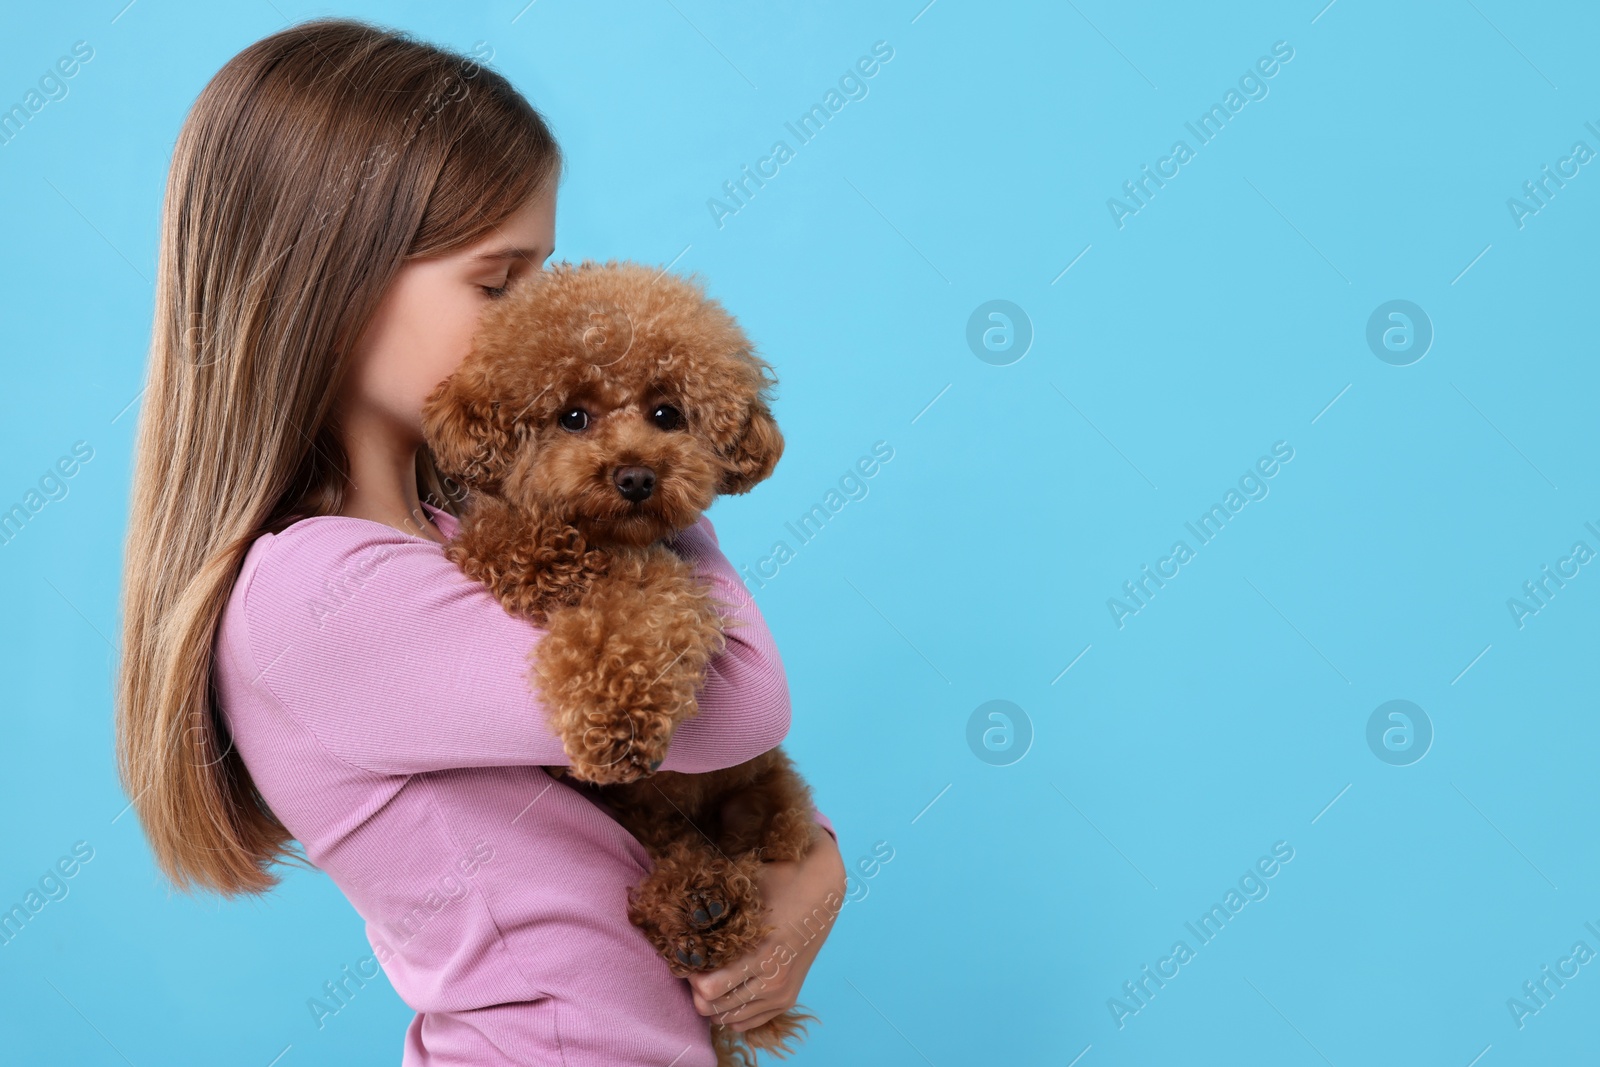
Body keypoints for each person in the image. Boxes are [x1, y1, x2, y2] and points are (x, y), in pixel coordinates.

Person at [113, 17, 845, 1066]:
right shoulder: (318, 596)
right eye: (498, 284)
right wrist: (660, 490)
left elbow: (700, 776)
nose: (531, 323)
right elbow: (736, 707)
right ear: (333, 281)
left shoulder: (452, 540)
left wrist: (814, 868)